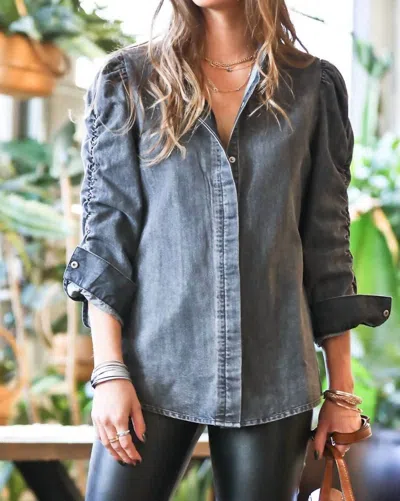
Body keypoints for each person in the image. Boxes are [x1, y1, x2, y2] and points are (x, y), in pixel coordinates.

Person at [63, 0, 392, 499]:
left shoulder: (313, 87)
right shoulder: (129, 81)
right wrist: (108, 371)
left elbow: (327, 247)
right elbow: (107, 237)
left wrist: (341, 392)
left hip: (274, 373)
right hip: (150, 371)